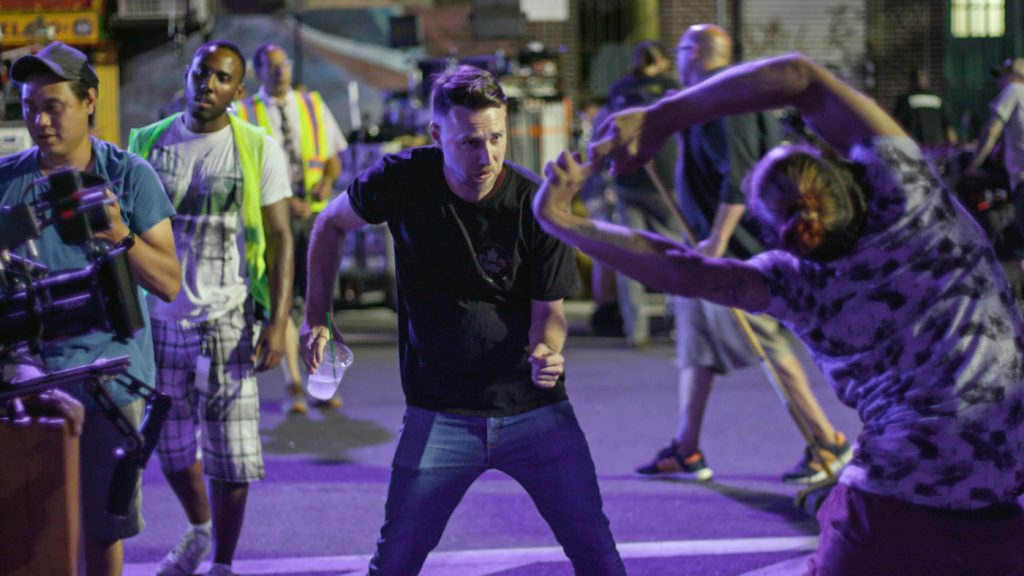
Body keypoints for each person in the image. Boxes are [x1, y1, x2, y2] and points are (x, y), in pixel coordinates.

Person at [534, 49, 1024, 576]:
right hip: (1002, 492)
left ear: (778, 236)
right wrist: (662, 117)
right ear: (843, 174)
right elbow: (800, 76)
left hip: (894, 502)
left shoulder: (799, 284)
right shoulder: (908, 195)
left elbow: (681, 269)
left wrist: (561, 219)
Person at [301, 65, 625, 575]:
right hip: (439, 412)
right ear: (437, 136)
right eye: (470, 142)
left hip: (533, 410)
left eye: (496, 138)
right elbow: (330, 222)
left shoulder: (534, 203)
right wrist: (316, 315)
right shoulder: (403, 178)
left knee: (600, 558)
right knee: (394, 564)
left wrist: (549, 350)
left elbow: (551, 314)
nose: (488, 156)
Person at [633, 24, 850, 484]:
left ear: (697, 52)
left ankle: (825, 439)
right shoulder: (716, 97)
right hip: (705, 246)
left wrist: (715, 243)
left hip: (732, 250)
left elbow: (738, 181)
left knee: (766, 341)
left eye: (681, 48)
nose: (675, 57)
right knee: (695, 346)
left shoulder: (725, 100)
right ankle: (686, 449)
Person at [0, 41, 180, 576]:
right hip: (25, 382)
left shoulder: (129, 176)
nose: (39, 119)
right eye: (29, 106)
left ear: (89, 102)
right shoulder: (6, 180)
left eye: (53, 105)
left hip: (110, 384)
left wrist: (116, 232)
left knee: (104, 529)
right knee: (28, 529)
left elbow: (169, 282)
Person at [128, 40, 294, 576]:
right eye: (202, 74)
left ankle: (222, 563)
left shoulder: (256, 146)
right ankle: (199, 529)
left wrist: (278, 320)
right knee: (172, 452)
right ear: (190, 76)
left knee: (233, 453)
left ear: (238, 91)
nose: (209, 85)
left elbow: (280, 237)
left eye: (222, 79)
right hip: (161, 323)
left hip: (228, 319)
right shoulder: (147, 145)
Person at [237, 43, 348, 413]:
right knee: (280, 298)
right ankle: (294, 387)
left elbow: (333, 157)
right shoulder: (244, 113)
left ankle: (322, 384)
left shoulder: (312, 105)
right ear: (257, 72)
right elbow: (246, 173)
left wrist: (328, 183)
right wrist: (283, 202)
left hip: (314, 217)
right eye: (270, 66)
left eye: (283, 64)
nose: (279, 71)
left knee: (318, 300)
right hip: (274, 219)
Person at [606, 41, 682, 347]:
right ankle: (678, 323)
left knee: (631, 257)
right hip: (665, 182)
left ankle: (636, 330)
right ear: (662, 62)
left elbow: (610, 131)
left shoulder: (620, 89)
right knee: (674, 254)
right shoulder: (673, 89)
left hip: (627, 181)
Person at [967, 57, 1024, 305]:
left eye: (1004, 75)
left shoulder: (1014, 91)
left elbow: (992, 130)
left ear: (1015, 76)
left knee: (1017, 244)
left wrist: (973, 165)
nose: (1000, 81)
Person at [893, 67, 958, 146]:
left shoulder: (905, 100)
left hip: (915, 148)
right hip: (937, 149)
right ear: (927, 81)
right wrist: (954, 147)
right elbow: (949, 128)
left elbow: (895, 125)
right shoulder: (938, 100)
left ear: (912, 81)